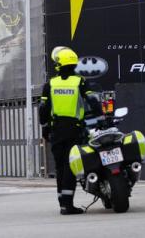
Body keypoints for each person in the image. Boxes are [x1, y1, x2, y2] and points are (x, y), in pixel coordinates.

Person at [38, 46, 98, 215]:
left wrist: (44, 127)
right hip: (74, 130)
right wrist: (100, 114)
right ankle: (68, 205)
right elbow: (93, 100)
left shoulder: (50, 84)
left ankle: (62, 203)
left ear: (59, 64)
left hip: (56, 130)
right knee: (70, 167)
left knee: (59, 168)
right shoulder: (80, 82)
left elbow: (43, 109)